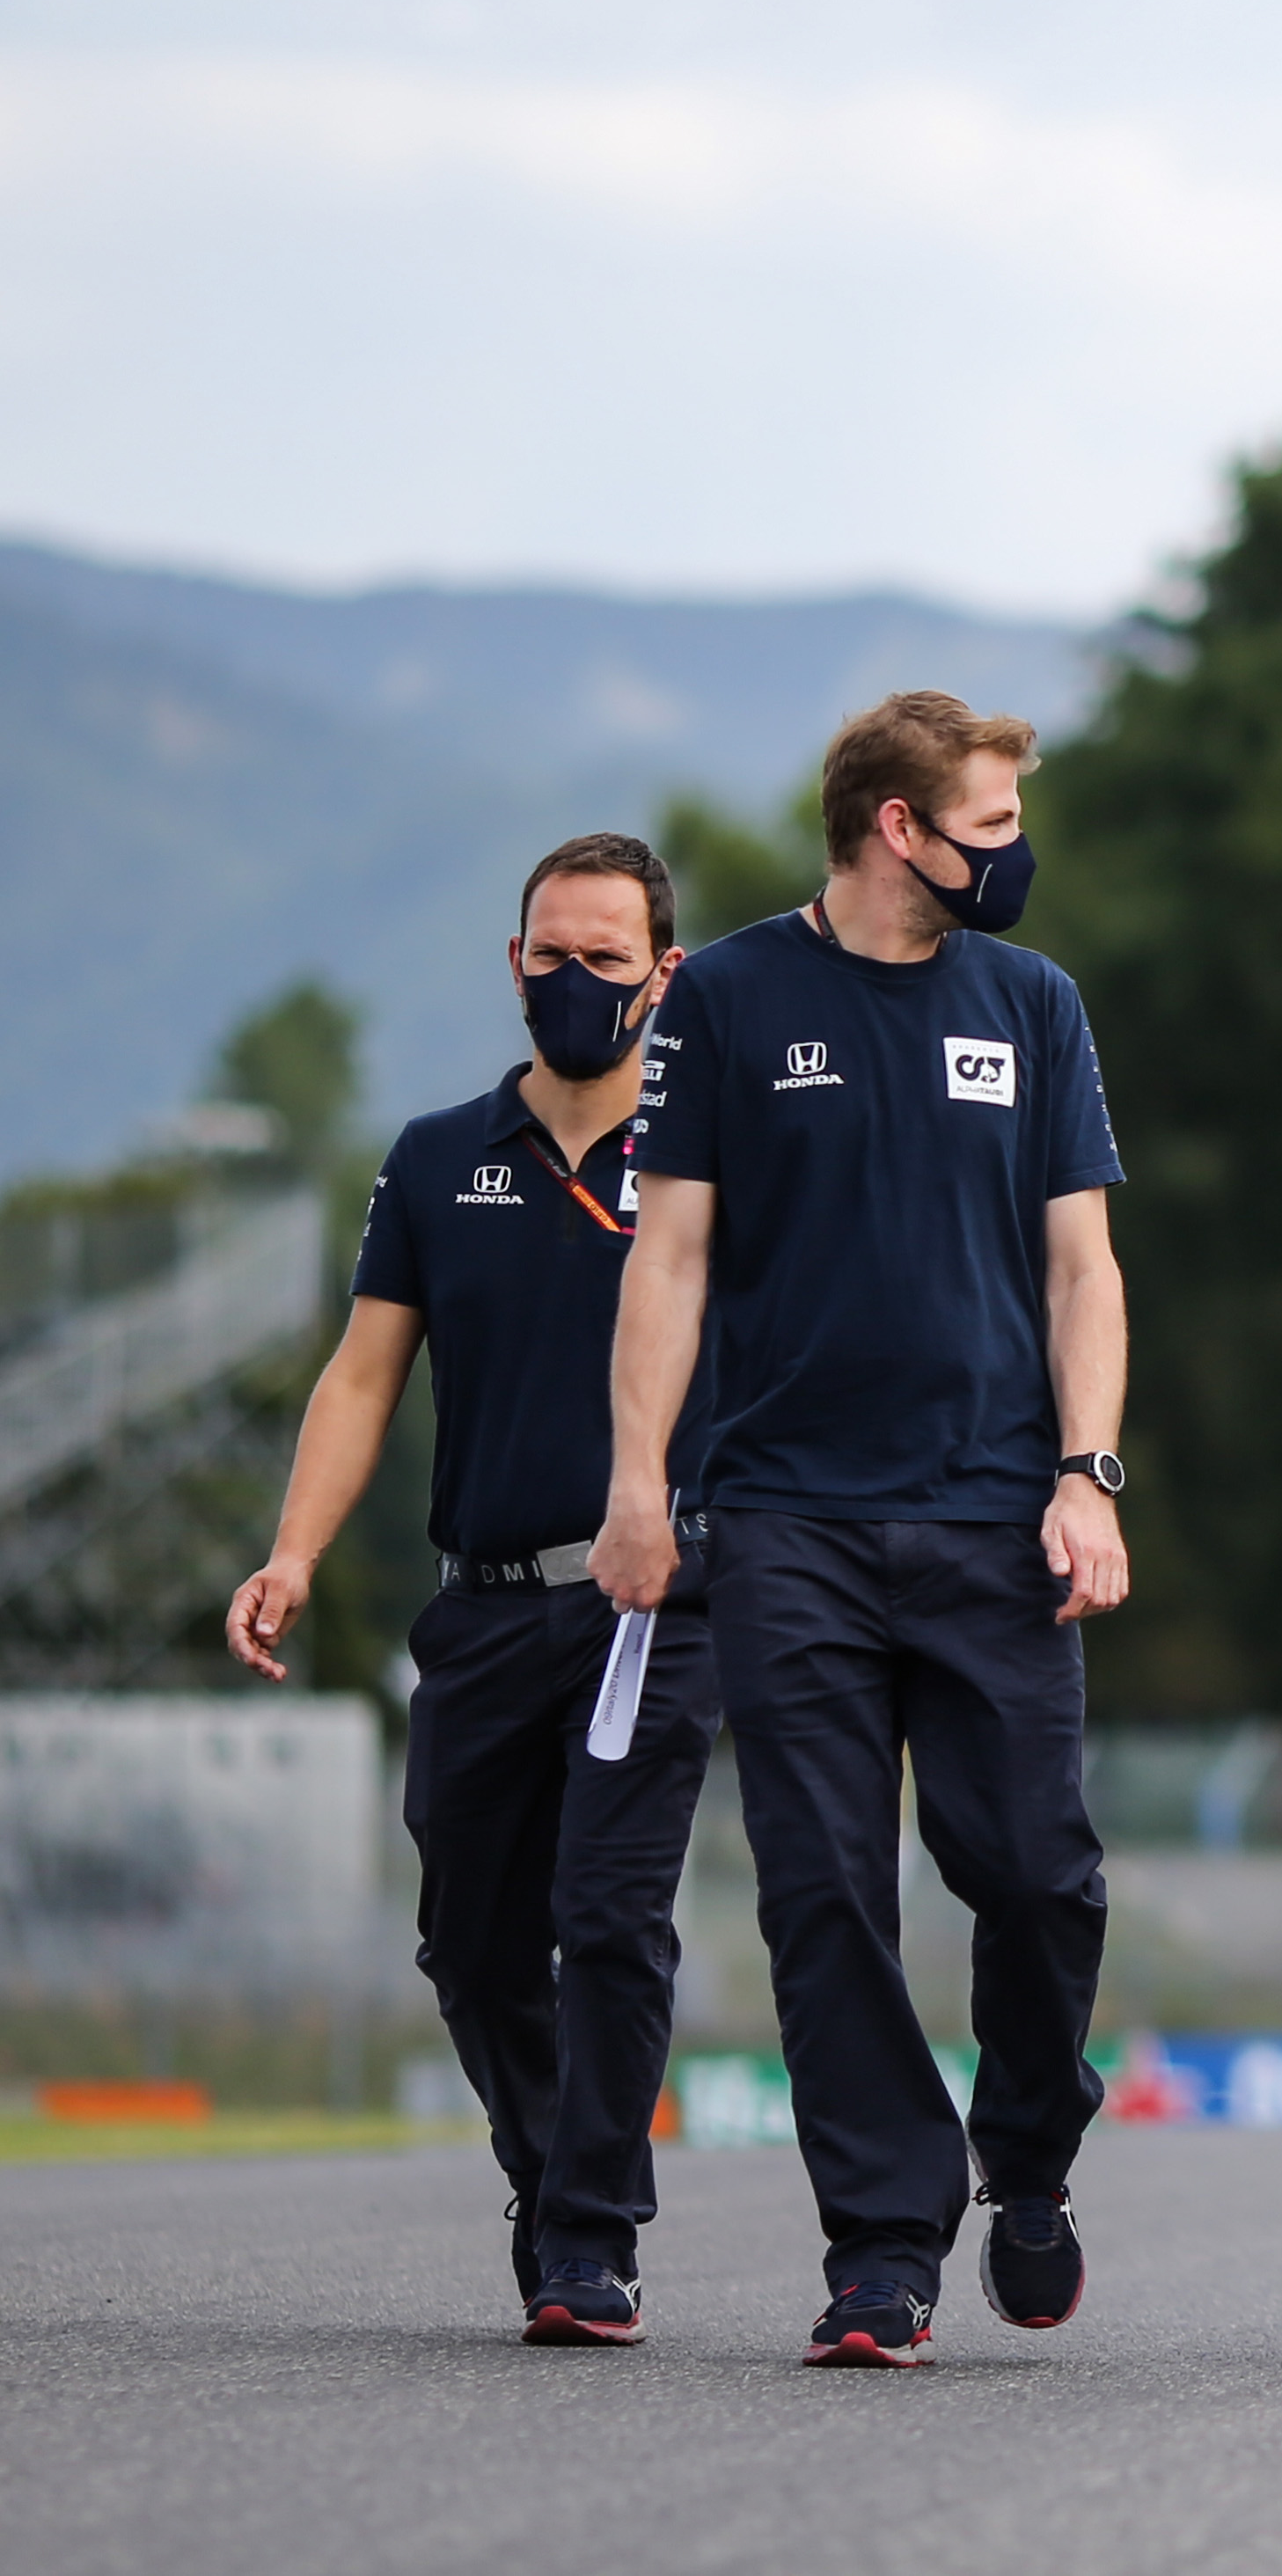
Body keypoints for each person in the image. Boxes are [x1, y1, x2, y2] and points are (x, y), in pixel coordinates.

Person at [593, 689, 1130, 2368]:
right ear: (896, 827)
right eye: (987, 823)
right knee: (824, 1890)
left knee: (1037, 1877)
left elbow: (1081, 1268)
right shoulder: (733, 997)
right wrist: (634, 1479)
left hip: (996, 1516)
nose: (1012, 850)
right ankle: (882, 2250)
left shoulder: (1033, 1000)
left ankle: (1026, 2153)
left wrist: (1087, 1472)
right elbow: (667, 1258)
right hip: (785, 1519)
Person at [223, 833, 710, 2346]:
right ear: (514, 964)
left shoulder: (710, 1160)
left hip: (654, 1604)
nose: (572, 983)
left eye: (605, 960)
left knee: (611, 1913)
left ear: (663, 974)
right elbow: (364, 1375)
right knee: (474, 1933)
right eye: (548, 956)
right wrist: (294, 1548)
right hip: (485, 1606)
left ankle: (590, 2234)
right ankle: (549, 2166)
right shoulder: (439, 1157)